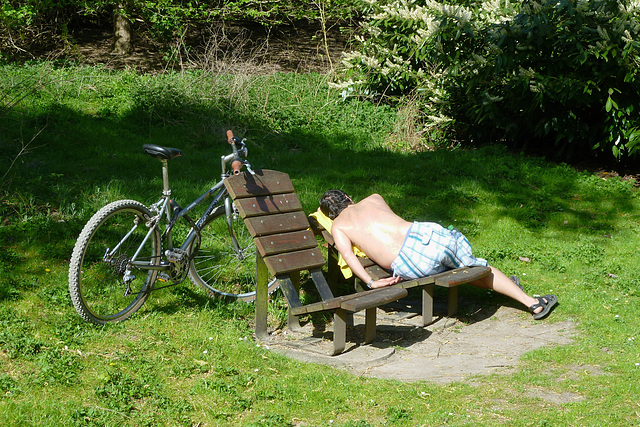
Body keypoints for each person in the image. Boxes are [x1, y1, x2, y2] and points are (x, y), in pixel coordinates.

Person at [319, 189, 557, 320]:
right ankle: (532, 303)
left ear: (331, 216)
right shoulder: (373, 198)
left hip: (410, 264)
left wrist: (371, 281)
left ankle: (505, 288)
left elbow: (349, 257)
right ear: (349, 198)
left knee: (454, 270)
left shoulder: (339, 227)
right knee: (475, 267)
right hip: (424, 236)